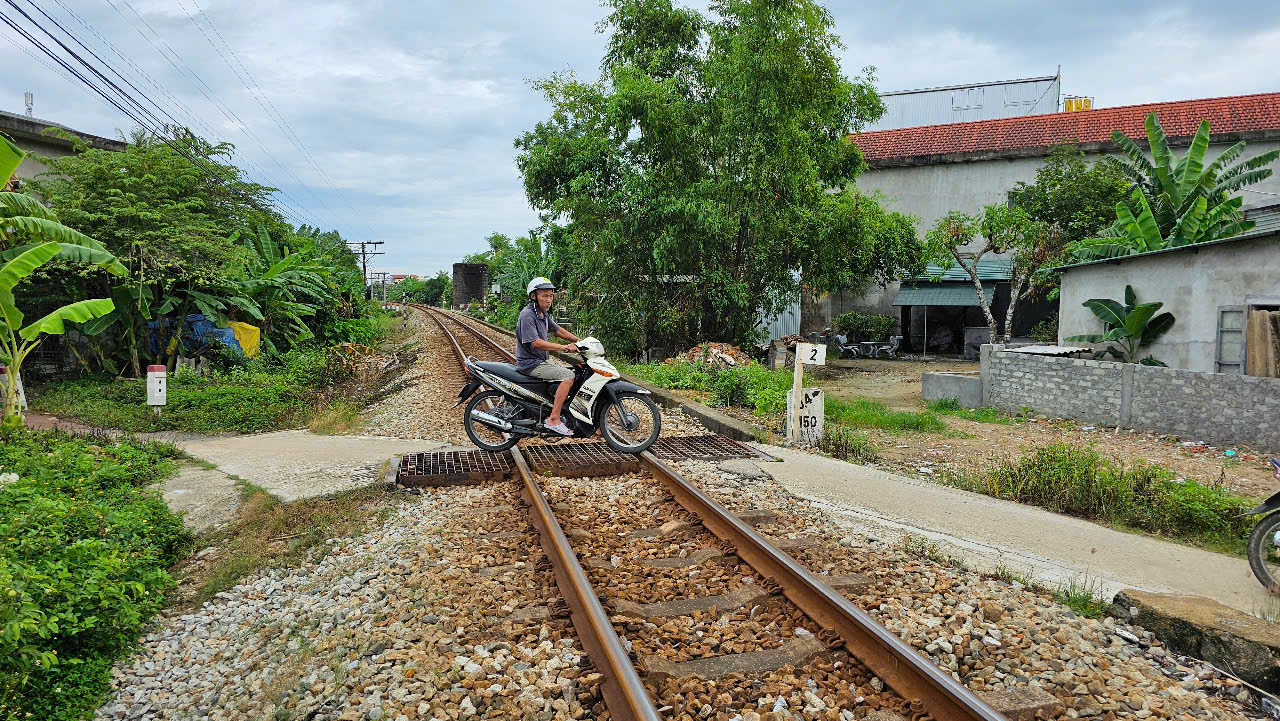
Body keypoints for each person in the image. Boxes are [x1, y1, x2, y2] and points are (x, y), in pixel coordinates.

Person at [515, 277, 581, 436]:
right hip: (531, 363)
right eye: (544, 295)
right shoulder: (528, 315)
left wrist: (580, 341)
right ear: (533, 296)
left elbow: (558, 331)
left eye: (551, 295)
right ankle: (554, 419)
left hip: (540, 361)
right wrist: (565, 347)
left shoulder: (542, 314)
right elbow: (535, 343)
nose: (549, 299)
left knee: (576, 373)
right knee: (568, 376)